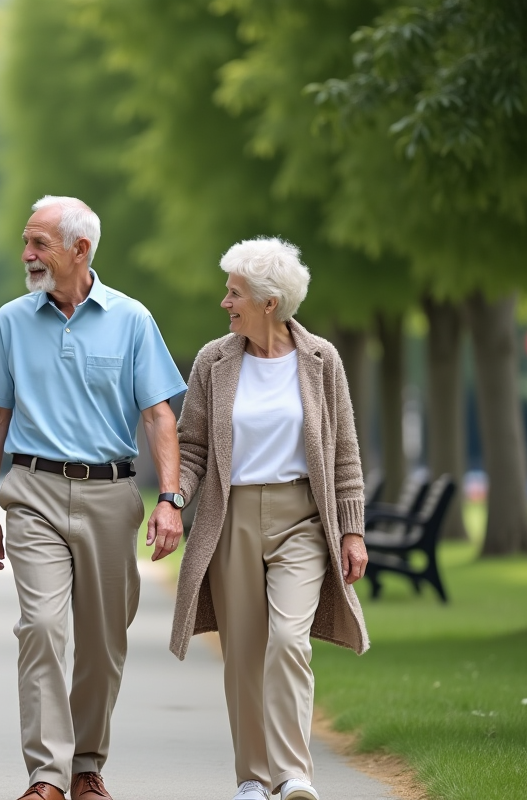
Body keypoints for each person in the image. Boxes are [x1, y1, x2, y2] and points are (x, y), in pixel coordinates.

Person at [0, 196, 187, 800]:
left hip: (111, 494)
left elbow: (159, 415)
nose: (27, 254)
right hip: (33, 491)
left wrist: (170, 498)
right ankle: (46, 775)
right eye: (27, 241)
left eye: (39, 243)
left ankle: (87, 763)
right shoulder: (11, 320)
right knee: (40, 626)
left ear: (80, 250)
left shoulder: (132, 319)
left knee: (103, 640)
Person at [168, 237, 370, 800]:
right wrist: (174, 499)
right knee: (243, 652)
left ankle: (293, 773)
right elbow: (193, 449)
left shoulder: (321, 359)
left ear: (268, 302)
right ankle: (253, 778)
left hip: (302, 518)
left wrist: (351, 530)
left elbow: (345, 451)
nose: (224, 301)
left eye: (234, 293)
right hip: (231, 517)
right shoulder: (215, 360)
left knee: (288, 640)